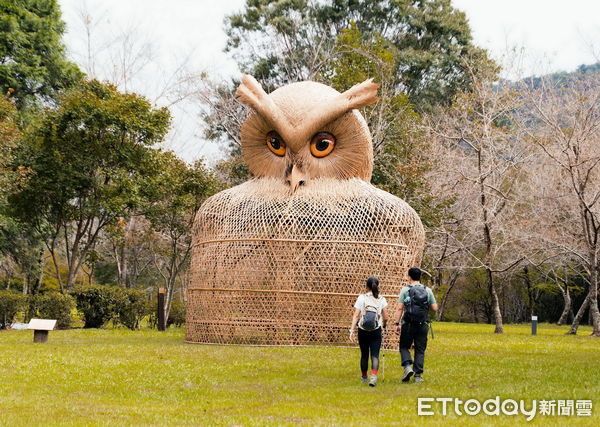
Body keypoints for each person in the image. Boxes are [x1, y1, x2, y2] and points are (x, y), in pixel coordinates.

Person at [394, 267, 438, 383]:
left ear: (409, 277)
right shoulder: (427, 290)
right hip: (422, 323)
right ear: (420, 277)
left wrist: (397, 323)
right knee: (420, 349)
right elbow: (434, 308)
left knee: (404, 346)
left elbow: (399, 308)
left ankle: (407, 366)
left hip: (408, 323)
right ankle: (418, 376)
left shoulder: (405, 290)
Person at [350, 276, 389, 387]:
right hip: (376, 330)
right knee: (375, 355)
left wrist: (352, 330)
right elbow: (386, 317)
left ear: (366, 286)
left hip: (363, 330)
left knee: (364, 354)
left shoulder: (362, 298)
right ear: (378, 286)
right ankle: (374, 377)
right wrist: (384, 326)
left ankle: (364, 377)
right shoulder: (381, 299)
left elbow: (356, 315)